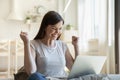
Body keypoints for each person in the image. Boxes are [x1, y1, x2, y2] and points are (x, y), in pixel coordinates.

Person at [20, 11, 79, 80]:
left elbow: (74, 70)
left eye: (60, 29)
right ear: (45, 27)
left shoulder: (62, 45)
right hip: (45, 79)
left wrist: (76, 46)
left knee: (93, 75)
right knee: (35, 77)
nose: (57, 32)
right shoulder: (33, 44)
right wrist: (26, 43)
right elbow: (31, 72)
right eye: (54, 28)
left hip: (63, 78)